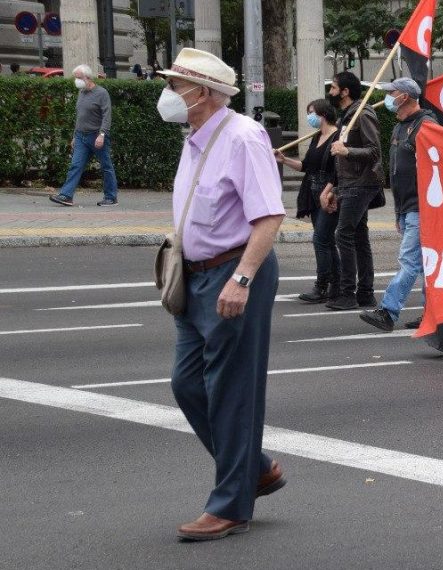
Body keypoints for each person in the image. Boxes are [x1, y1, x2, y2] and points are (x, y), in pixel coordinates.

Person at [156, 47, 287, 541]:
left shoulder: (243, 137)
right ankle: (254, 468)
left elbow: (269, 216)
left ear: (203, 92)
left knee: (231, 393)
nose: (168, 94)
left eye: (175, 85)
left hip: (233, 273)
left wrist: (243, 278)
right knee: (187, 383)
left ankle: (231, 505)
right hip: (196, 278)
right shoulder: (196, 139)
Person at [359, 77, 438, 332]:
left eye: (392, 93)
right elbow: (397, 172)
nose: (388, 97)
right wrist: (398, 212)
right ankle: (433, 315)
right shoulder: (399, 127)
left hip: (421, 207)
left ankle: (388, 311)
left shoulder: (426, 125)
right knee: (424, 265)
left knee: (409, 261)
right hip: (406, 208)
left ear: (405, 97)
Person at [324, 71, 383, 311]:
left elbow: (374, 151)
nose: (330, 92)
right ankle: (365, 293)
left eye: (333, 88)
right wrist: (336, 188)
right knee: (358, 236)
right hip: (350, 184)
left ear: (345, 91)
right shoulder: (348, 115)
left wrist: (347, 151)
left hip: (361, 183)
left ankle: (348, 293)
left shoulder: (363, 113)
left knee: (343, 234)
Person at [275, 99, 341, 304]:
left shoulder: (338, 136)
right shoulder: (316, 136)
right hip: (312, 192)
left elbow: (338, 171)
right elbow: (306, 166)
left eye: (311, 112)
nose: (309, 117)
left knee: (320, 239)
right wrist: (285, 160)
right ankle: (336, 284)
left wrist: (328, 192)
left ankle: (322, 286)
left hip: (328, 194)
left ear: (323, 114)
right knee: (326, 241)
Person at [49, 64, 118, 207]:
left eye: (79, 78)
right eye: (76, 78)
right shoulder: (81, 92)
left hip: (96, 136)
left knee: (106, 166)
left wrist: (102, 134)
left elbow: (107, 116)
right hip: (81, 136)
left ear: (88, 77)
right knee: (75, 165)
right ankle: (66, 196)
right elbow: (80, 117)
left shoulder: (102, 93)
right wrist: (75, 135)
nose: (77, 81)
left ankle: (111, 197)